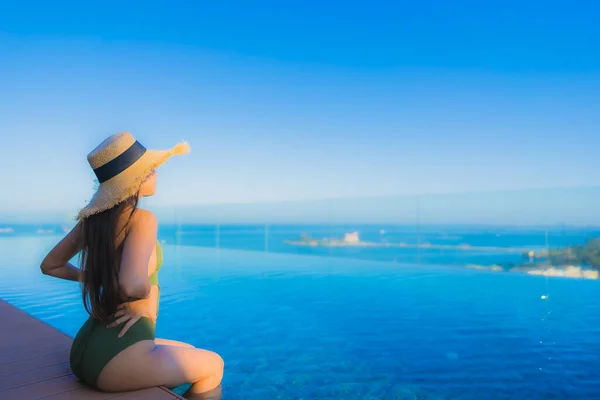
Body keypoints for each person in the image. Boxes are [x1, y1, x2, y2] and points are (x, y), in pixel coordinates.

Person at [40, 132, 224, 399]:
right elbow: (131, 284)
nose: (157, 172)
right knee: (214, 366)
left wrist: (98, 280)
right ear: (135, 180)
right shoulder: (142, 219)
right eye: (150, 169)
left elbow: (51, 265)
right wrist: (148, 296)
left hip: (86, 352)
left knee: (190, 353)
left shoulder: (93, 223)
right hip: (115, 359)